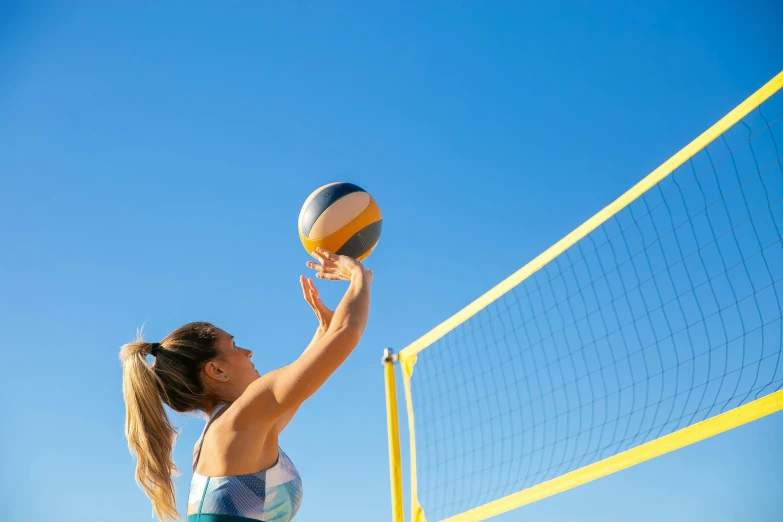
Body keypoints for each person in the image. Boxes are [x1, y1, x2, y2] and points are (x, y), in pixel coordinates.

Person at [119, 248, 373, 522]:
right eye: (234, 345)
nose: (248, 352)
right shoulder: (239, 421)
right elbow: (347, 332)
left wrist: (324, 332)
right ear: (216, 370)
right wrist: (358, 276)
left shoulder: (235, 428)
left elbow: (300, 387)